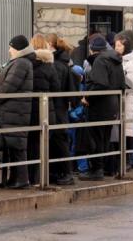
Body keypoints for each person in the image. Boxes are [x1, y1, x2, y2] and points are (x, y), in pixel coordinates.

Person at [0, 35, 34, 189]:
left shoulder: (21, 63)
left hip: (15, 112)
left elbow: (9, 86)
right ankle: (16, 179)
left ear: (18, 48)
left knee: (17, 148)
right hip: (13, 111)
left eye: (11, 47)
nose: (9, 50)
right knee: (14, 147)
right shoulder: (20, 62)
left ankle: (21, 180)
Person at [80, 37, 126, 181]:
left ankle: (96, 170)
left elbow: (100, 84)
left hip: (99, 106)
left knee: (95, 139)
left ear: (92, 48)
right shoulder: (115, 60)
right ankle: (101, 168)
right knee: (104, 138)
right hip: (112, 105)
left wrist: (87, 97)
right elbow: (122, 85)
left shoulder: (100, 60)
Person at [29, 34, 61, 185]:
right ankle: (42, 178)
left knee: (31, 145)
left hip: (30, 111)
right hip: (48, 111)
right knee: (44, 145)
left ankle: (32, 177)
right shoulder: (49, 66)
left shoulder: (27, 64)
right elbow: (56, 88)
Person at [51, 37, 77, 184]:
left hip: (56, 108)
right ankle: (62, 172)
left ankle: (66, 173)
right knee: (60, 140)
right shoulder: (65, 63)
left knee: (60, 141)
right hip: (61, 108)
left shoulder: (56, 65)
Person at [114, 33, 133, 169]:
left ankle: (127, 161)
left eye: (119, 45)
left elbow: (130, 83)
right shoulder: (121, 60)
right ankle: (124, 160)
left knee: (127, 130)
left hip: (127, 100)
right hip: (121, 100)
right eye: (115, 45)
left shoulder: (130, 63)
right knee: (123, 130)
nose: (116, 48)